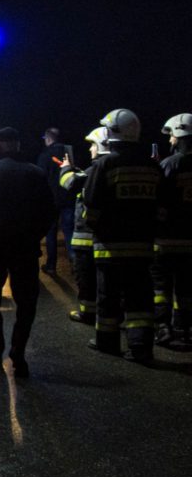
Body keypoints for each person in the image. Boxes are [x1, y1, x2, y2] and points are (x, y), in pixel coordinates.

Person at [0, 127, 56, 377]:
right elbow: (48, 211)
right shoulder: (35, 173)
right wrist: (34, 236)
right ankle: (18, 353)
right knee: (26, 303)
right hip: (25, 249)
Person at [84, 108, 161, 362]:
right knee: (140, 299)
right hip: (143, 246)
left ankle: (107, 342)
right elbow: (162, 206)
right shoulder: (152, 166)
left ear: (112, 133)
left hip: (110, 246)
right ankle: (141, 347)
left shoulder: (105, 164)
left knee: (108, 297)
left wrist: (97, 228)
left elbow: (91, 204)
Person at [59, 127, 111, 324]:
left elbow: (69, 183)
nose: (90, 149)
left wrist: (66, 168)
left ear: (102, 146)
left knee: (86, 278)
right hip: (105, 237)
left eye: (93, 145)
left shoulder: (95, 171)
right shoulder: (107, 170)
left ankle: (87, 313)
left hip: (87, 237)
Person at [151, 113, 192, 346]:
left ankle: (163, 328)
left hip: (166, 239)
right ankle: (183, 328)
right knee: (186, 289)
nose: (170, 140)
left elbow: (157, 200)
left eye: (172, 136)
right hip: (190, 240)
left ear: (179, 134)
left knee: (161, 288)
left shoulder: (169, 164)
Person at [36, 127, 76, 275]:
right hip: (68, 198)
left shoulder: (44, 155)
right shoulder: (69, 152)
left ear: (48, 139)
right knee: (69, 232)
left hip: (51, 200)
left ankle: (51, 266)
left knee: (51, 234)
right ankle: (75, 265)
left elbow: (40, 178)